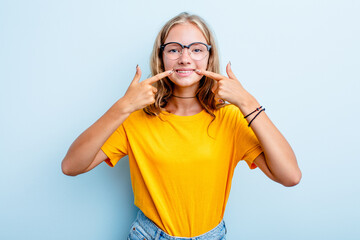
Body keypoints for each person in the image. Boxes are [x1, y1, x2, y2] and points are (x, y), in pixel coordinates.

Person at [61, 12, 301, 240]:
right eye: (174, 49)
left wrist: (248, 102)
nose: (185, 58)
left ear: (210, 56)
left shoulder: (230, 119)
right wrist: (123, 106)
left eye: (196, 49)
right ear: (161, 57)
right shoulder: (135, 118)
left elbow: (290, 176)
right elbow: (71, 166)